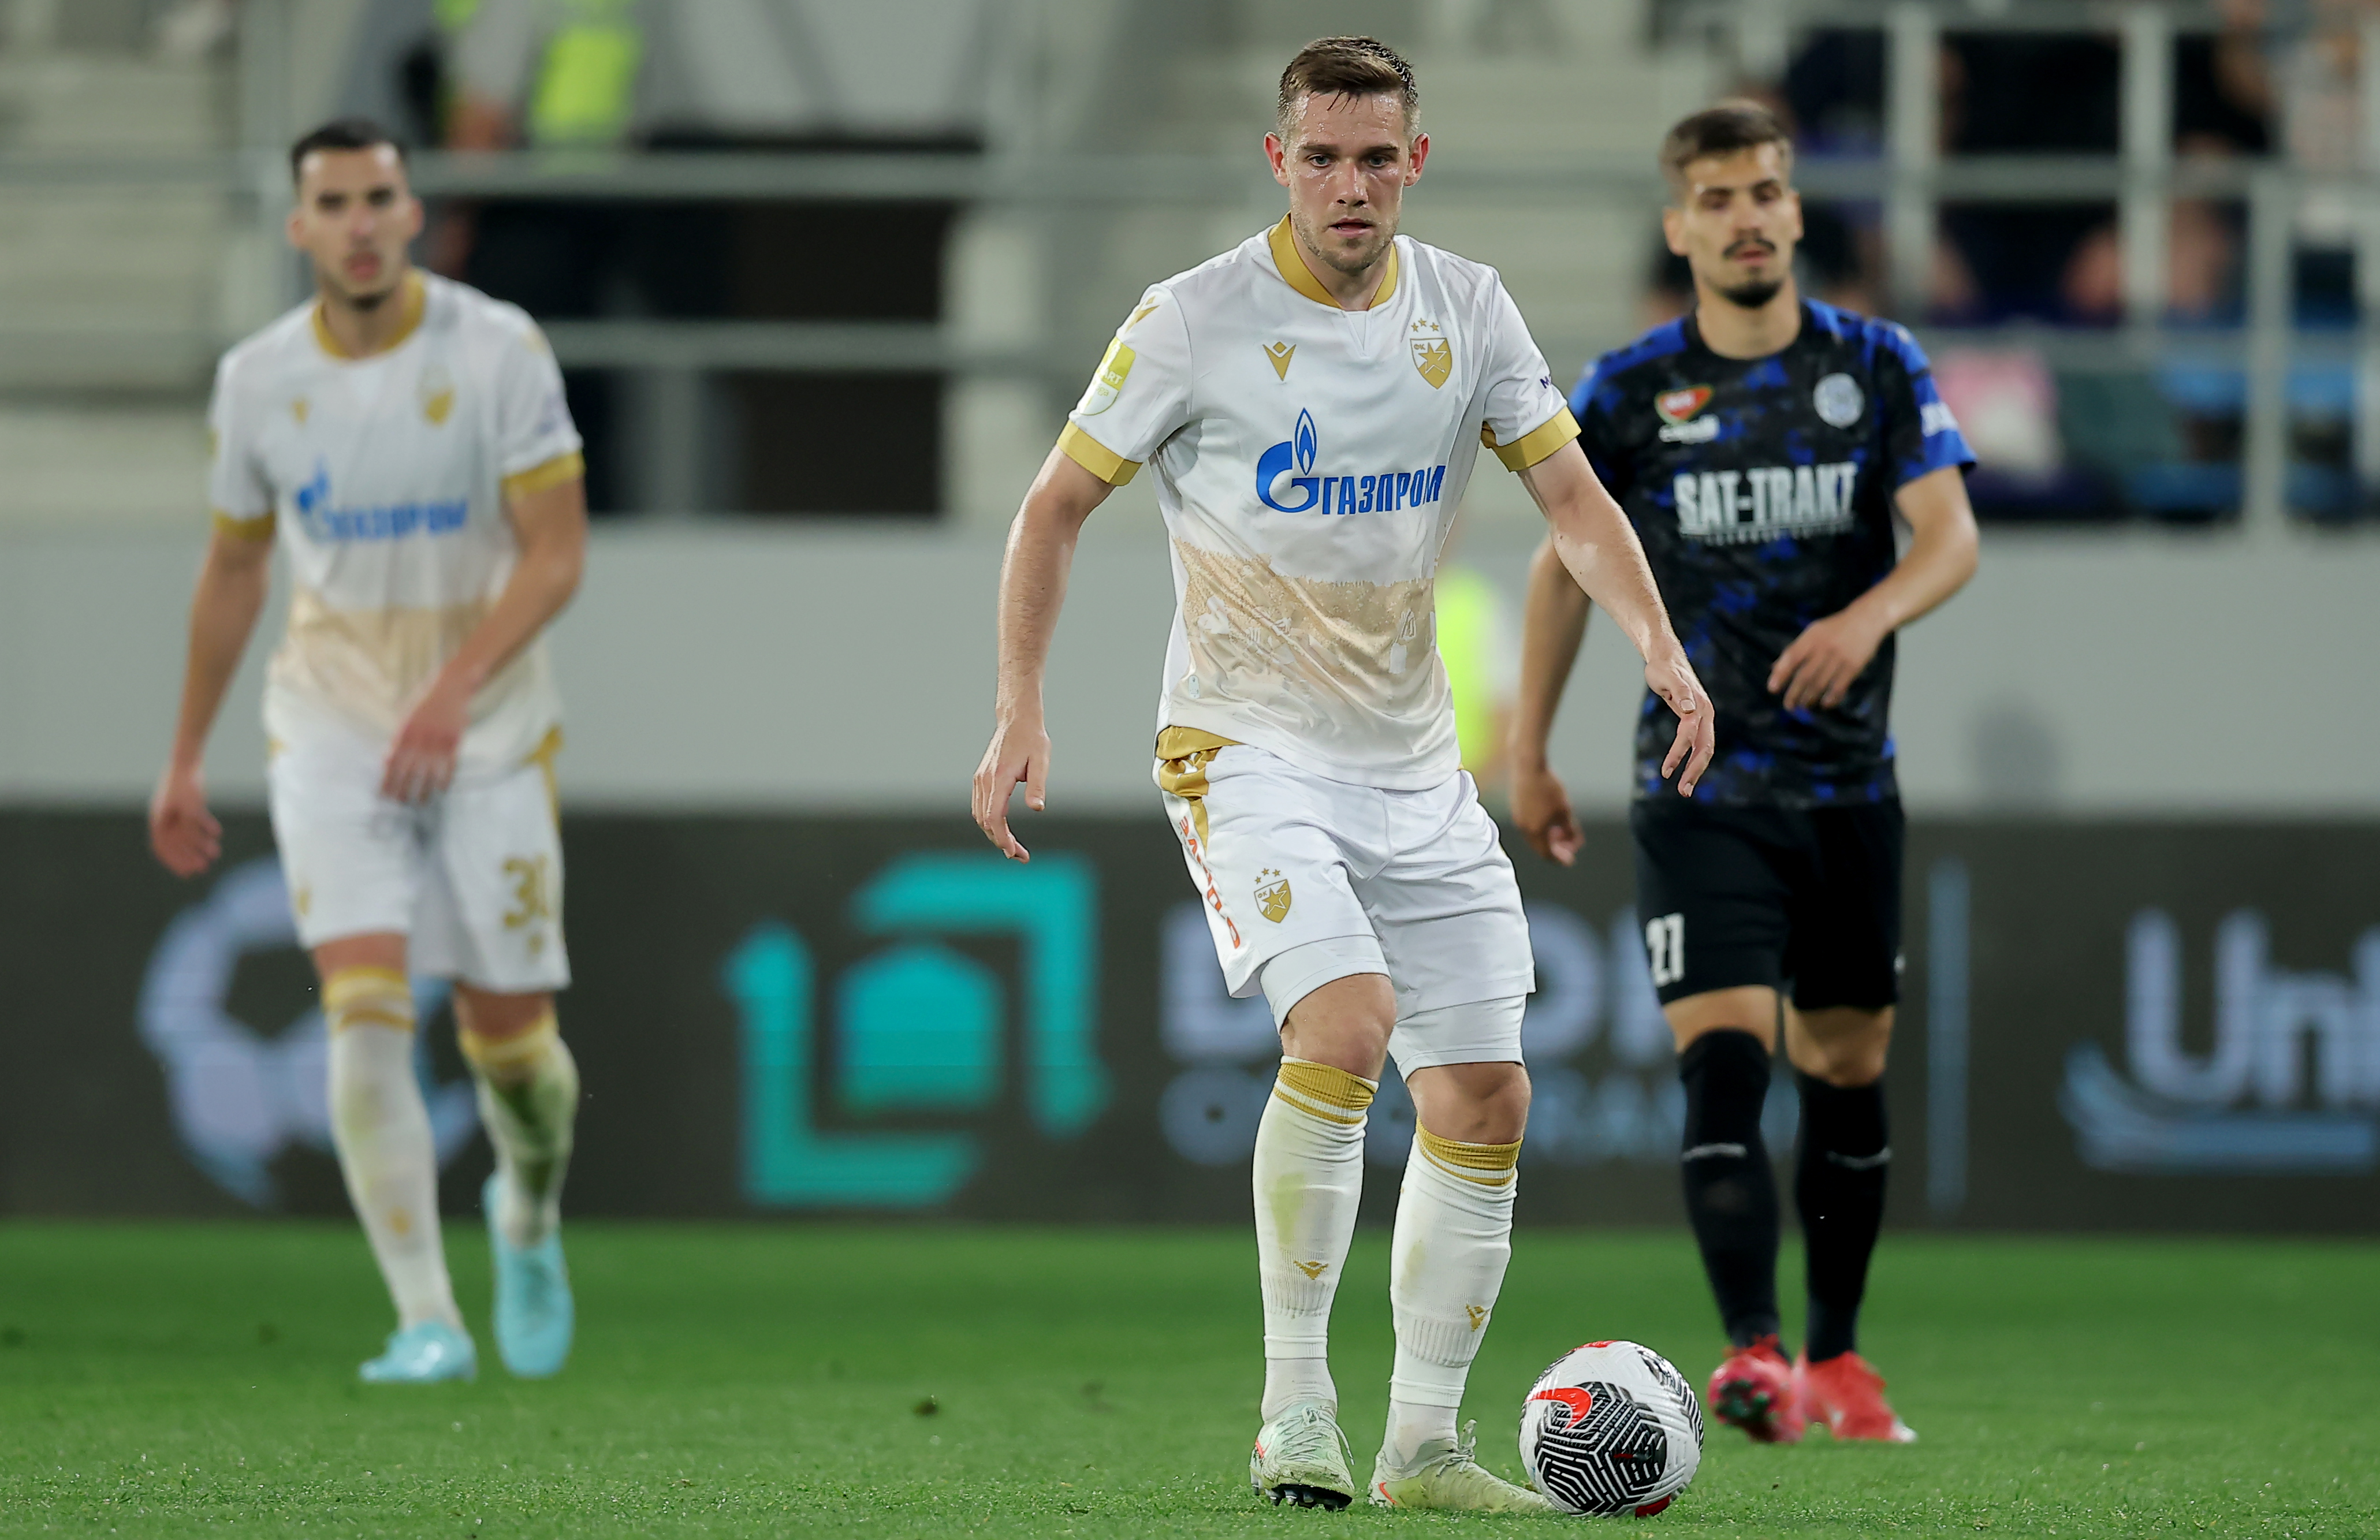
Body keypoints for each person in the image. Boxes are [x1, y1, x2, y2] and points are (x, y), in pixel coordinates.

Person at [970, 36, 1715, 1512]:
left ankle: (1424, 1444)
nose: (1351, 184)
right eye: (1322, 157)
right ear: (1278, 162)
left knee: (1489, 1095)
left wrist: (1662, 647)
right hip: (1242, 744)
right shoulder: (1191, 320)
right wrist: (1019, 706)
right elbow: (1053, 506)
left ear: (1415, 161)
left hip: (1411, 763)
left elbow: (1572, 495)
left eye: (1378, 157)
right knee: (1349, 1019)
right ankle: (1295, 1406)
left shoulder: (1470, 309)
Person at [1509, 100, 1979, 1446]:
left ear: (1795, 210)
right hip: (1701, 785)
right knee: (1723, 1057)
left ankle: (1839, 1357)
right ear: (1682, 227)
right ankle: (1754, 1352)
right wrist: (1530, 747)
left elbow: (1950, 536)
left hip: (1847, 788)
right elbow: (1562, 564)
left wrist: (1871, 613)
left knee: (1847, 1062)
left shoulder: (1875, 365)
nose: (1749, 215)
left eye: (1766, 191)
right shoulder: (1630, 391)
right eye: (1718, 198)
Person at [148, 118, 590, 1386]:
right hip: (332, 718)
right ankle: (425, 1316)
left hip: (487, 722)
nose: (355, 221)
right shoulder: (258, 382)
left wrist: (456, 690)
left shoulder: (498, 348)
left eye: (376, 197)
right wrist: (184, 753)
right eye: (330, 201)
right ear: (299, 228)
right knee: (361, 1006)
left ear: (411, 215)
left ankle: (529, 1212)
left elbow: (556, 550)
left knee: (518, 1058)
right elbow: (235, 567)